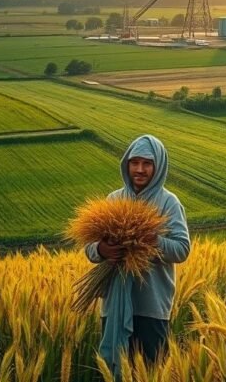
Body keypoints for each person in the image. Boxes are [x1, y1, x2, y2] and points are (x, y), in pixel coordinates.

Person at [84, 134, 191, 372]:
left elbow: (182, 249)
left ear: (159, 165)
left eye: (147, 163)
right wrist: (102, 250)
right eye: (134, 162)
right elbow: (89, 249)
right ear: (126, 164)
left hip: (151, 308)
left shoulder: (169, 203)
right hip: (114, 307)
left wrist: (152, 240)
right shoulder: (114, 200)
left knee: (151, 372)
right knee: (114, 370)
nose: (140, 169)